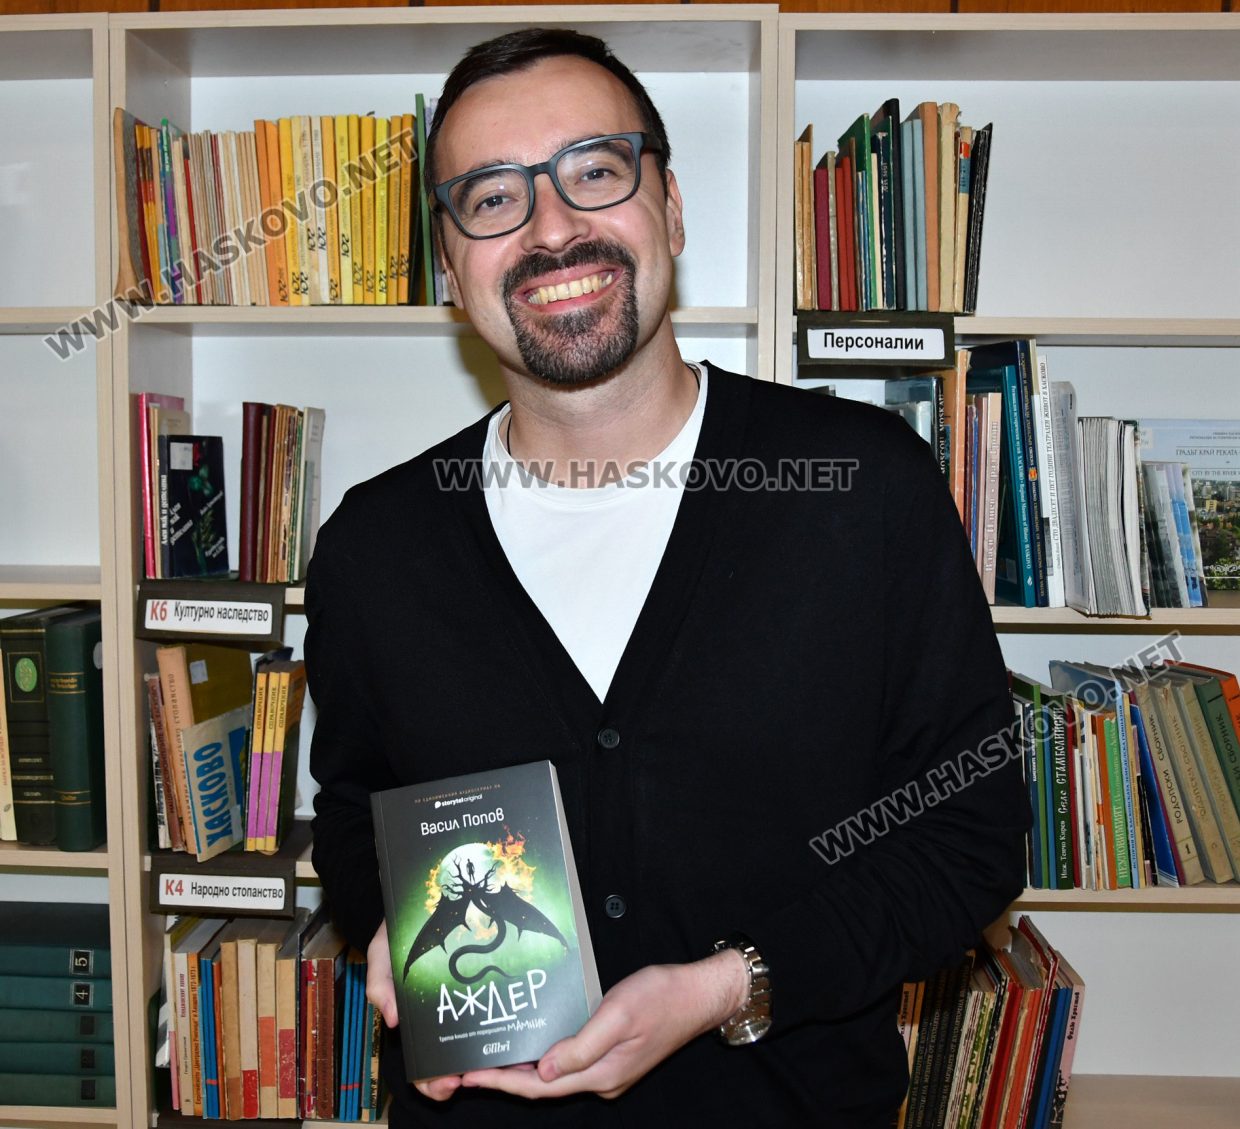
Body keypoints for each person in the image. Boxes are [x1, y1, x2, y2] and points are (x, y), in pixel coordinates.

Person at [307, 27, 1029, 1128]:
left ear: (672, 209)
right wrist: (388, 925)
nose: (552, 228)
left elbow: (968, 834)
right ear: (451, 269)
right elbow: (357, 816)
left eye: (595, 171)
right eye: (492, 198)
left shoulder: (861, 488)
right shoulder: (374, 547)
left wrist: (731, 986)